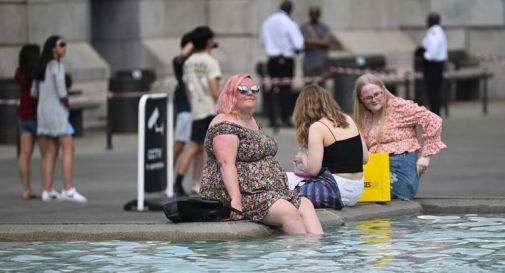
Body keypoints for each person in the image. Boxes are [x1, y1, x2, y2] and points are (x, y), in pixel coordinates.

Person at [200, 74, 323, 235]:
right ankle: (300, 256)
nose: (250, 93)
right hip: (239, 193)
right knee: (288, 212)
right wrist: (235, 200)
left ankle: (318, 255)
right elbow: (225, 164)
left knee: (306, 205)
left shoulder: (250, 120)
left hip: (266, 191)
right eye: (243, 90)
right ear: (230, 94)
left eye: (254, 89)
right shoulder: (225, 123)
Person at [353, 73, 447, 200]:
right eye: (368, 98)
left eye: (377, 94)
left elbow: (432, 120)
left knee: (394, 207)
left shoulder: (398, 107)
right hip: (375, 168)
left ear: (383, 90)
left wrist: (425, 156)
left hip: (400, 165)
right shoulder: (364, 117)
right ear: (361, 99)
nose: (374, 100)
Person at [292, 85, 368, 207]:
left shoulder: (317, 127)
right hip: (358, 190)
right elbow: (365, 158)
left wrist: (303, 158)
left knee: (284, 184)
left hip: (336, 190)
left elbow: (313, 170)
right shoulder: (348, 119)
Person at [32, 35, 87, 202]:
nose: (64, 47)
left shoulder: (40, 68)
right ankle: (68, 188)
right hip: (57, 113)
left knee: (50, 151)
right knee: (68, 148)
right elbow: (62, 92)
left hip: (43, 114)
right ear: (53, 49)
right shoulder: (57, 66)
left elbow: (33, 93)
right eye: (61, 44)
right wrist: (67, 103)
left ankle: (47, 190)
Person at [175, 26, 221, 196]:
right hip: (209, 109)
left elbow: (188, 89)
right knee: (195, 146)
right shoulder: (211, 62)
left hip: (196, 108)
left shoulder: (189, 62)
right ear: (209, 41)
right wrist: (224, 106)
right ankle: (178, 181)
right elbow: (214, 89)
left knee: (199, 147)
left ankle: (196, 183)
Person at [260, 0, 304, 127]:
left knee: (273, 87)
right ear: (290, 10)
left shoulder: (268, 21)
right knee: (285, 89)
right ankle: (285, 117)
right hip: (286, 59)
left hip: (272, 59)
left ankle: (272, 117)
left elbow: (263, 42)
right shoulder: (289, 22)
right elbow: (298, 44)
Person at [172, 31, 204, 194]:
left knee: (200, 147)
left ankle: (195, 183)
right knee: (179, 145)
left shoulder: (200, 62)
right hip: (185, 110)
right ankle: (167, 180)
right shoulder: (181, 62)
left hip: (200, 110)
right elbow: (182, 56)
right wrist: (192, 43)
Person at [15, 44, 41, 200]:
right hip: (37, 116)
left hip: (23, 116)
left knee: (25, 153)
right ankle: (47, 188)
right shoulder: (37, 73)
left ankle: (26, 189)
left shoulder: (20, 73)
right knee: (47, 153)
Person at [421, 12, 447, 116]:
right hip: (438, 64)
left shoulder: (433, 32)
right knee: (435, 91)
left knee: (433, 91)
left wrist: (425, 57)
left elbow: (433, 48)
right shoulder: (439, 31)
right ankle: (435, 113)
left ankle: (435, 114)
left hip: (432, 65)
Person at [300, 5, 333, 85]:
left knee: (322, 89)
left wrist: (310, 41)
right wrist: (320, 42)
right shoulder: (304, 28)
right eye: (312, 13)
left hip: (321, 63)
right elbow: (302, 43)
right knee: (308, 89)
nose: (314, 15)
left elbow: (327, 43)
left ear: (319, 14)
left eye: (316, 13)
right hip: (308, 63)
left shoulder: (324, 28)